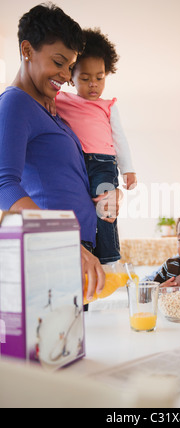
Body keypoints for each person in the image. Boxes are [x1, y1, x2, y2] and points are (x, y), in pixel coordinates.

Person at [0, 3, 121, 301]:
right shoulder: (14, 103)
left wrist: (110, 192)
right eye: (58, 62)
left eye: (70, 66)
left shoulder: (51, 110)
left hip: (77, 248)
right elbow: (4, 184)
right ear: (27, 50)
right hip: (54, 249)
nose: (67, 75)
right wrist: (65, 242)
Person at [55, 28, 137, 265]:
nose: (93, 84)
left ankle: (109, 258)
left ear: (106, 74)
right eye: (85, 78)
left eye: (99, 78)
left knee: (106, 209)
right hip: (78, 162)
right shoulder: (61, 99)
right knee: (83, 208)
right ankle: (85, 253)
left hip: (104, 163)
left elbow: (120, 138)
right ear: (71, 77)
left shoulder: (108, 106)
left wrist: (128, 169)